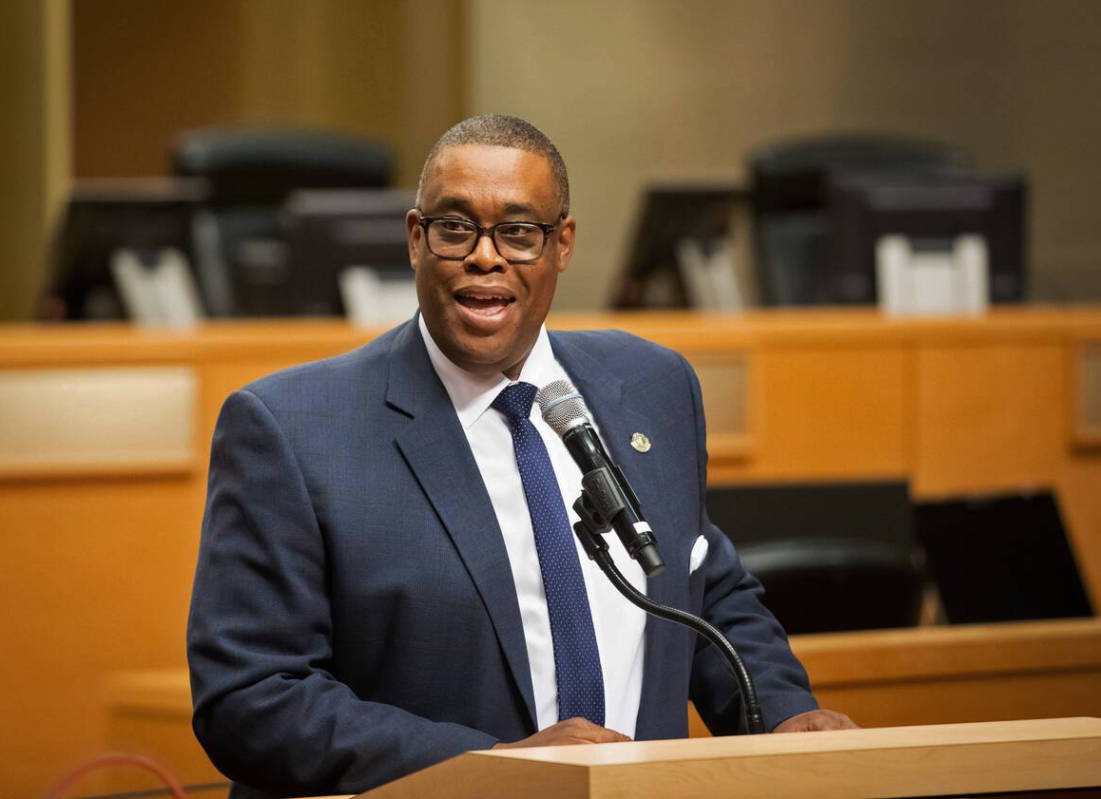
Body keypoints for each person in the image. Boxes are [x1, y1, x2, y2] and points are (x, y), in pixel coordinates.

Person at [187, 114, 855, 799]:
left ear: (561, 243)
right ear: (416, 240)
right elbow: (250, 697)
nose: (485, 255)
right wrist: (498, 764)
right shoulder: (293, 428)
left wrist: (781, 712)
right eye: (455, 228)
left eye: (517, 231)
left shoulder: (652, 386)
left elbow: (701, 584)